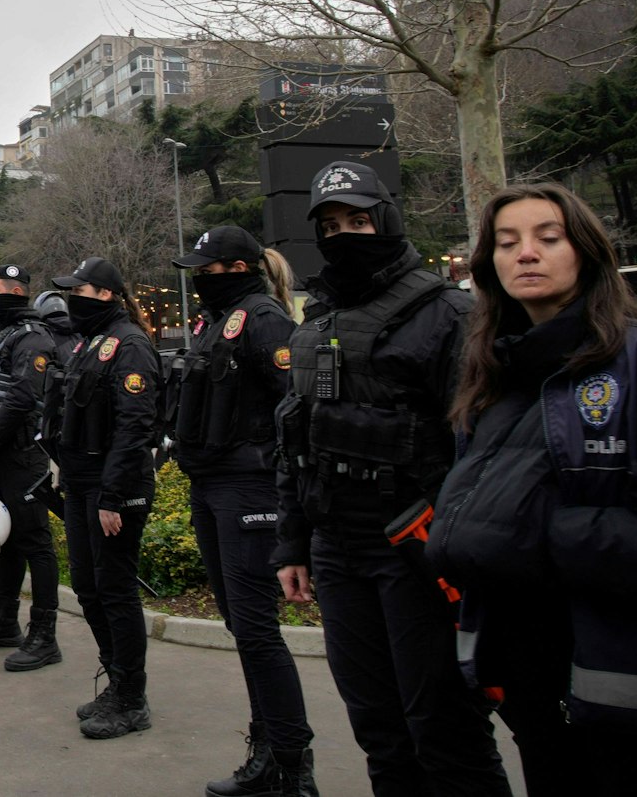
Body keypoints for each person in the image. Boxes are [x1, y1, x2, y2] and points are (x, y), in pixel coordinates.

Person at [431, 183, 637, 794]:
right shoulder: (494, 376)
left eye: (547, 238)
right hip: (535, 683)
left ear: (586, 252)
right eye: (506, 243)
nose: (525, 254)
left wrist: (529, 531)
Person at [272, 161, 508, 795]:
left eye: (358, 219)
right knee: (377, 727)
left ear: (388, 219)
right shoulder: (315, 323)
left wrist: (454, 547)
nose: (344, 233)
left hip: (416, 550)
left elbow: (481, 450)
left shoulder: (448, 314)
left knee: (445, 727)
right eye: (330, 223)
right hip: (338, 549)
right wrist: (293, 542)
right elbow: (297, 442)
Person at [171, 227, 317, 795]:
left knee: (257, 631)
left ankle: (293, 769)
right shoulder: (219, 321)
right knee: (242, 626)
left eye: (207, 269)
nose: (199, 279)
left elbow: (297, 405)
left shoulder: (263, 318)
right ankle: (268, 754)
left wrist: (289, 497)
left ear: (235, 267)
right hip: (213, 486)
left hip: (249, 488)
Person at [53, 257, 161, 738]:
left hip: (112, 489)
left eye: (80, 290)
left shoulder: (131, 345)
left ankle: (131, 698)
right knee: (89, 588)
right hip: (81, 485)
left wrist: (113, 496)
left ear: (105, 295)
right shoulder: (92, 343)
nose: (72, 298)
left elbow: (135, 426)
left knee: (115, 591)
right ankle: (116, 681)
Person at [0, 268, 66, 673]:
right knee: (5, 538)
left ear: (18, 293)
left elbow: (24, 396)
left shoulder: (32, 337)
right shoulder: (0, 335)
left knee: (35, 540)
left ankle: (45, 636)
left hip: (20, 451)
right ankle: (5, 620)